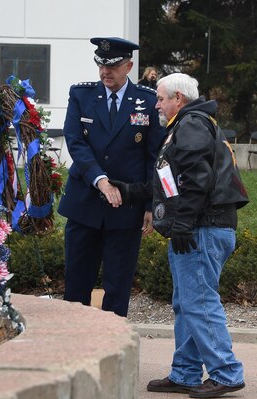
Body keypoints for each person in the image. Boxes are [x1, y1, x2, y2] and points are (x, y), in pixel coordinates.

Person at [109, 73, 249, 398]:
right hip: (202, 225)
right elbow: (170, 182)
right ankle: (185, 373)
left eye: (160, 98)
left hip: (202, 227)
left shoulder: (191, 124)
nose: (156, 104)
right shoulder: (189, 125)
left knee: (198, 301)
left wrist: (184, 223)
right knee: (187, 303)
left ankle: (226, 372)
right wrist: (129, 192)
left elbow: (197, 176)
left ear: (178, 100)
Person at [58, 37, 165, 317]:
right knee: (76, 284)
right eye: (101, 64)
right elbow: (76, 143)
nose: (106, 71)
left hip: (126, 208)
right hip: (85, 204)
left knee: (118, 286)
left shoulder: (147, 100)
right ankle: (74, 348)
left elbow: (152, 157)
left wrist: (149, 205)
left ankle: (112, 349)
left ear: (128, 66)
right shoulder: (81, 95)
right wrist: (100, 180)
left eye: (114, 66)